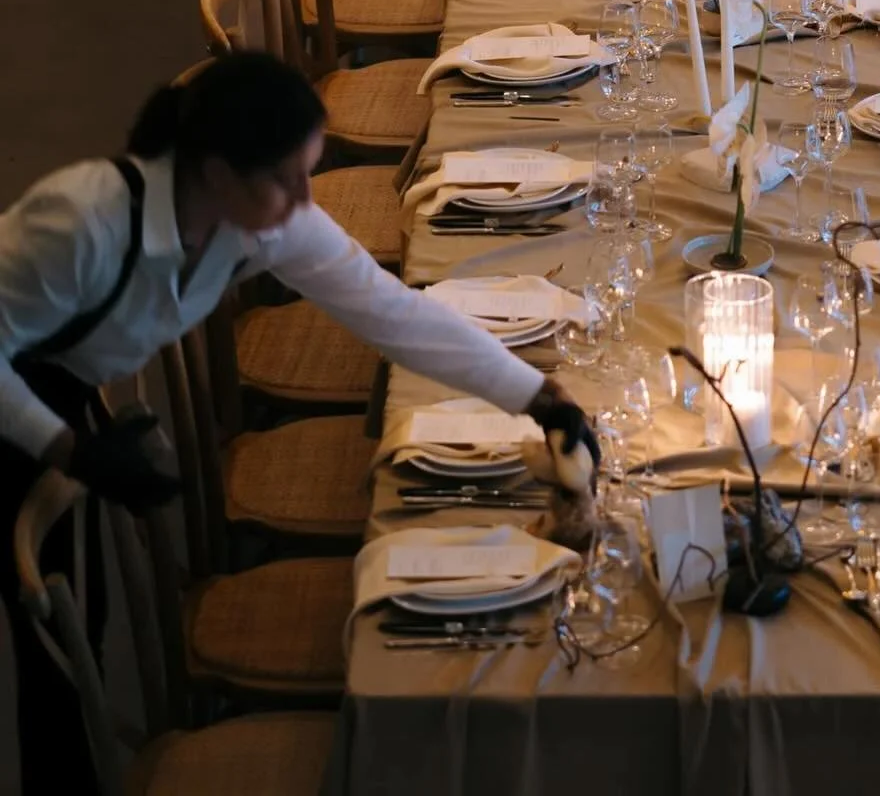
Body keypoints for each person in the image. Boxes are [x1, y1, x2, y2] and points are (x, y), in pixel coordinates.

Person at [0, 52, 596, 796]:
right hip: (18, 391)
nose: (303, 196)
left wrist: (540, 398)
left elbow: (392, 313)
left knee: (66, 628)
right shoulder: (81, 220)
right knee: (49, 636)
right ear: (216, 171)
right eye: (285, 177)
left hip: (64, 392)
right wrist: (66, 448)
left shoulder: (262, 221)